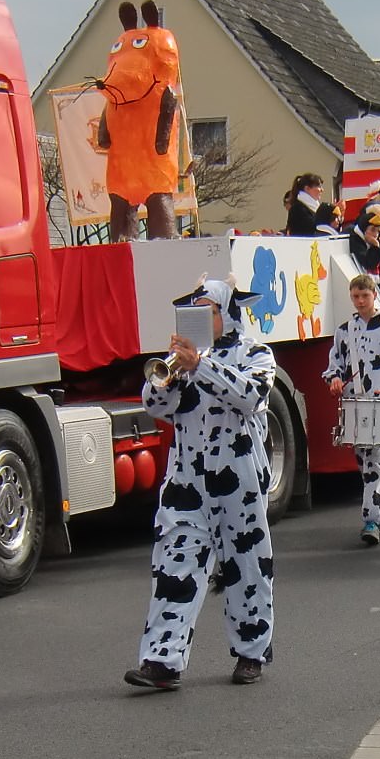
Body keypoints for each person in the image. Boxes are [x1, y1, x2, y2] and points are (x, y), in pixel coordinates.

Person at [125, 279, 277, 689]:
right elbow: (154, 405)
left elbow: (251, 396)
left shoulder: (256, 354)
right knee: (173, 566)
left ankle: (251, 652)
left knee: (246, 566)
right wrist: (173, 375)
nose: (203, 319)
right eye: (196, 311)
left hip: (239, 477)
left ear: (227, 314)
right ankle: (162, 660)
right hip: (186, 479)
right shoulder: (180, 360)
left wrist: (201, 367)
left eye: (209, 311)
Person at [324, 274, 380, 545]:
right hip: (355, 403)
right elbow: (334, 365)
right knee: (365, 462)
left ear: (374, 295)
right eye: (356, 296)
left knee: (376, 459)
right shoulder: (344, 330)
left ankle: (371, 519)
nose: (361, 301)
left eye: (365, 296)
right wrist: (334, 379)